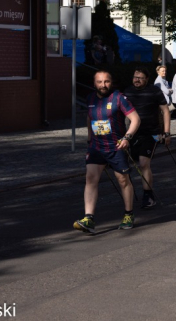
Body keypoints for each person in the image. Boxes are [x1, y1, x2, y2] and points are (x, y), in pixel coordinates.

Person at [73, 71, 141, 233]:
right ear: (94, 83)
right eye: (100, 82)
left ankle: (128, 214)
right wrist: (90, 138)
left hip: (116, 146)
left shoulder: (119, 98)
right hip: (97, 147)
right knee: (90, 178)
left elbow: (135, 119)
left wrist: (127, 138)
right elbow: (90, 118)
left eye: (106, 82)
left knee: (123, 180)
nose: (103, 85)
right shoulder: (90, 98)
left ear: (111, 82)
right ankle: (88, 218)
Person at [125, 68, 171, 209]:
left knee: (144, 163)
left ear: (147, 79)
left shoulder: (154, 91)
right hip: (131, 134)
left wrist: (167, 133)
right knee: (126, 165)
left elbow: (165, 111)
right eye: (135, 77)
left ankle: (148, 195)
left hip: (151, 133)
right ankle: (129, 193)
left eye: (140, 77)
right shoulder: (127, 92)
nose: (137, 80)